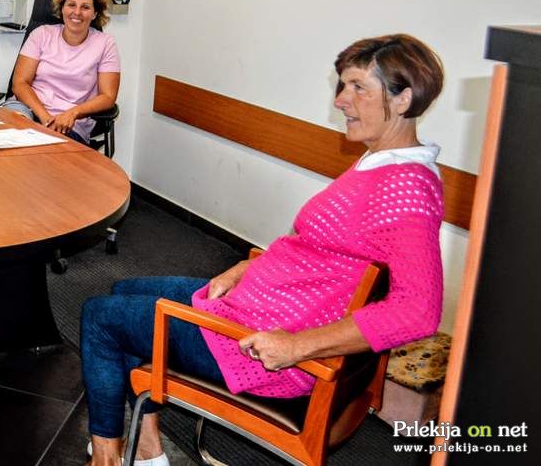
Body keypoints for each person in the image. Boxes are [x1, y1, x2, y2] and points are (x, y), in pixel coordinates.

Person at [82, 34, 446, 466]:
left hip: (258, 345)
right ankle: (147, 451)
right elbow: (312, 248)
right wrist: (242, 269)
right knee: (125, 292)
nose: (341, 100)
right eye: (342, 85)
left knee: (100, 318)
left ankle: (106, 459)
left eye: (358, 88)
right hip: (259, 306)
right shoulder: (380, 164)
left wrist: (296, 347)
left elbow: (417, 311)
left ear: (403, 99)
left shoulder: (407, 187)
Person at [6, 0, 120, 144]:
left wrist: (73, 113)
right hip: (28, 109)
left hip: (69, 123)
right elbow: (20, 83)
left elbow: (107, 96)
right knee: (4, 137)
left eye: (85, 7)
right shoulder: (41, 34)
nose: (77, 12)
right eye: (71, 5)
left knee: (46, 154)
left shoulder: (105, 44)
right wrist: (46, 119)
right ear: (62, 8)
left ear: (95, 13)